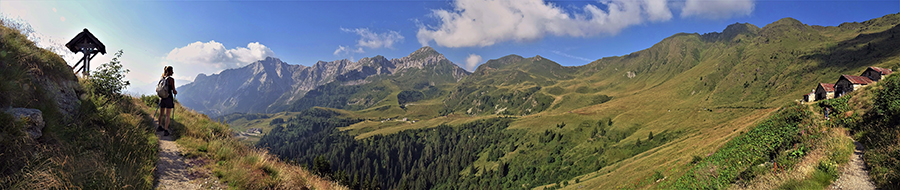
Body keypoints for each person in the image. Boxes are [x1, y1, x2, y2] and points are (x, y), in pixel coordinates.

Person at [158, 66, 178, 136]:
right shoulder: (171, 79)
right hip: (168, 98)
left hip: (162, 98)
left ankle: (159, 126)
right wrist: (175, 92)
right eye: (172, 71)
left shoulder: (162, 78)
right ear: (169, 71)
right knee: (167, 115)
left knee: (161, 114)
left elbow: (157, 89)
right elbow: (174, 90)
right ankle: (166, 130)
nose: (172, 72)